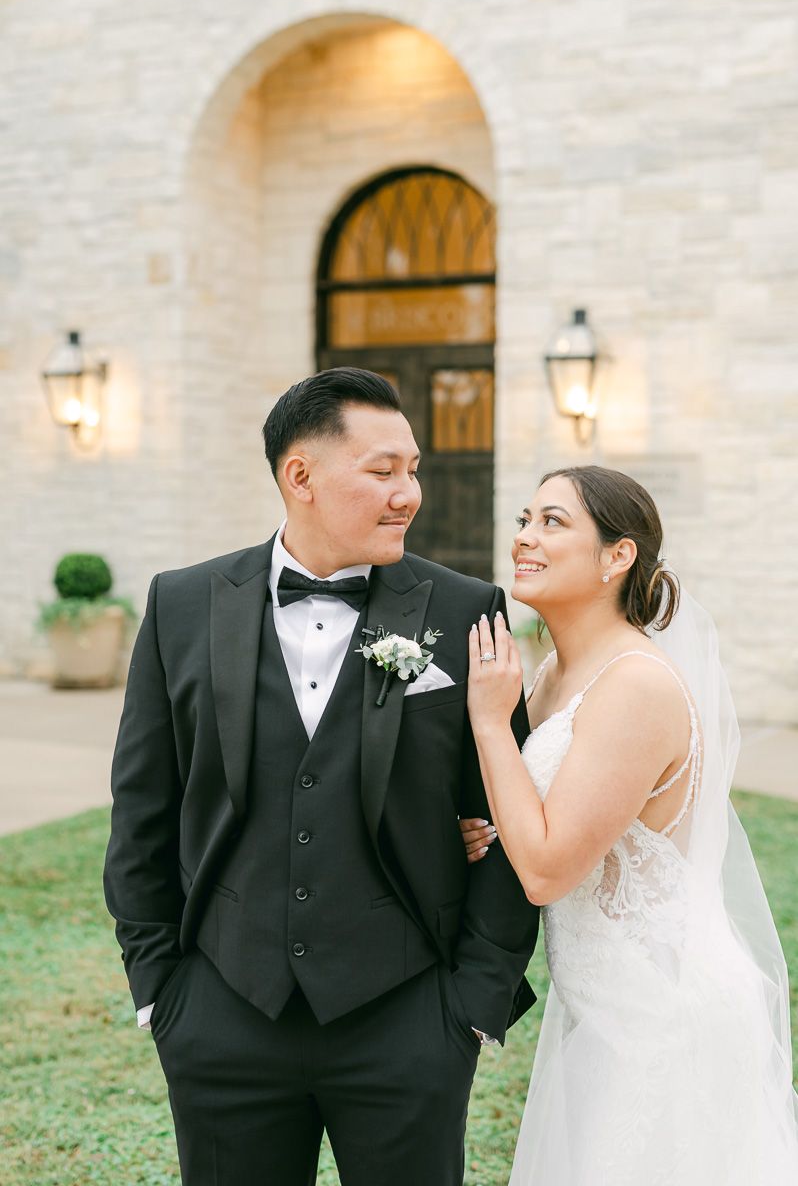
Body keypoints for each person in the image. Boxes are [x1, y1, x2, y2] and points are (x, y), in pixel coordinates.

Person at [103, 367, 539, 1186]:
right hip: (223, 1016)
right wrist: (160, 990)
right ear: (299, 476)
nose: (408, 492)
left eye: (412, 469)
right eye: (382, 471)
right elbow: (141, 812)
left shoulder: (464, 609)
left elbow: (511, 816)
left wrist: (473, 1006)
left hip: (409, 1023)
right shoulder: (182, 604)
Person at [460, 464, 798, 1184]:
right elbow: (543, 818)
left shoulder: (636, 685)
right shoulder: (554, 673)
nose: (525, 536)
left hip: (663, 1018)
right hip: (601, 1009)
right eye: (525, 518)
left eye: (554, 523)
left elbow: (549, 868)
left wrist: (491, 724)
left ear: (618, 556)